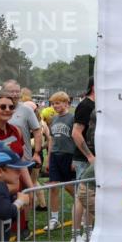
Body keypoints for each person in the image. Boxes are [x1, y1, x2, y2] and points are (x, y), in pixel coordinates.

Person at [70, 79, 96, 242]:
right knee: (81, 198)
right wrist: (89, 156)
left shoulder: (98, 105)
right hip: (85, 159)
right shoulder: (86, 105)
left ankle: (88, 233)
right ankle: (75, 236)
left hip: (95, 159)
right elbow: (76, 132)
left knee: (90, 197)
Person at [45, 92, 76, 233]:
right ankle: (54, 219)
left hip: (68, 156)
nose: (55, 106)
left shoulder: (72, 118)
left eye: (58, 103)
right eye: (53, 103)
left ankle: (85, 208)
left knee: (70, 187)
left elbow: (76, 139)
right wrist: (48, 157)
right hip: (55, 156)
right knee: (53, 187)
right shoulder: (54, 119)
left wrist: (75, 158)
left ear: (66, 103)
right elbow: (51, 139)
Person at [2, 80, 43, 179]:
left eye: (17, 91)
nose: (15, 94)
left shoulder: (26, 110)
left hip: (23, 159)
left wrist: (37, 153)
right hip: (2, 159)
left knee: (24, 191)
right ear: (3, 92)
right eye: (11, 91)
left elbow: (37, 131)